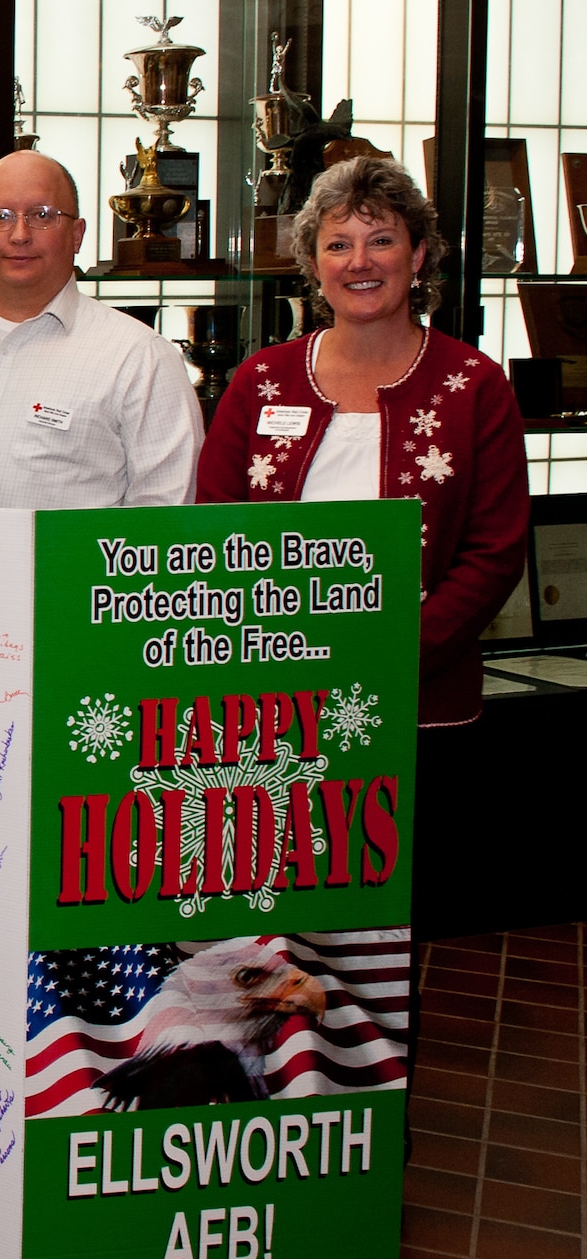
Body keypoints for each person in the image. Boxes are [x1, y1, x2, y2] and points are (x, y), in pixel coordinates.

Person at [195, 155, 529, 934]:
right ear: (313, 263)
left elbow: (495, 551)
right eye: (338, 244)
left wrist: (391, 656)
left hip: (417, 706)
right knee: (269, 912)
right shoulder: (261, 382)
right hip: (271, 703)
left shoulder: (475, 386)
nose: (360, 262)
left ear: (418, 256)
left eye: (381, 240)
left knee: (392, 921)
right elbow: (214, 529)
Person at [0, 150, 201, 508]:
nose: (20, 234)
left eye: (42, 216)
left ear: (76, 234)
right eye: (1, 217)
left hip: (70, 565)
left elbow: (163, 520)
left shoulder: (141, 358)